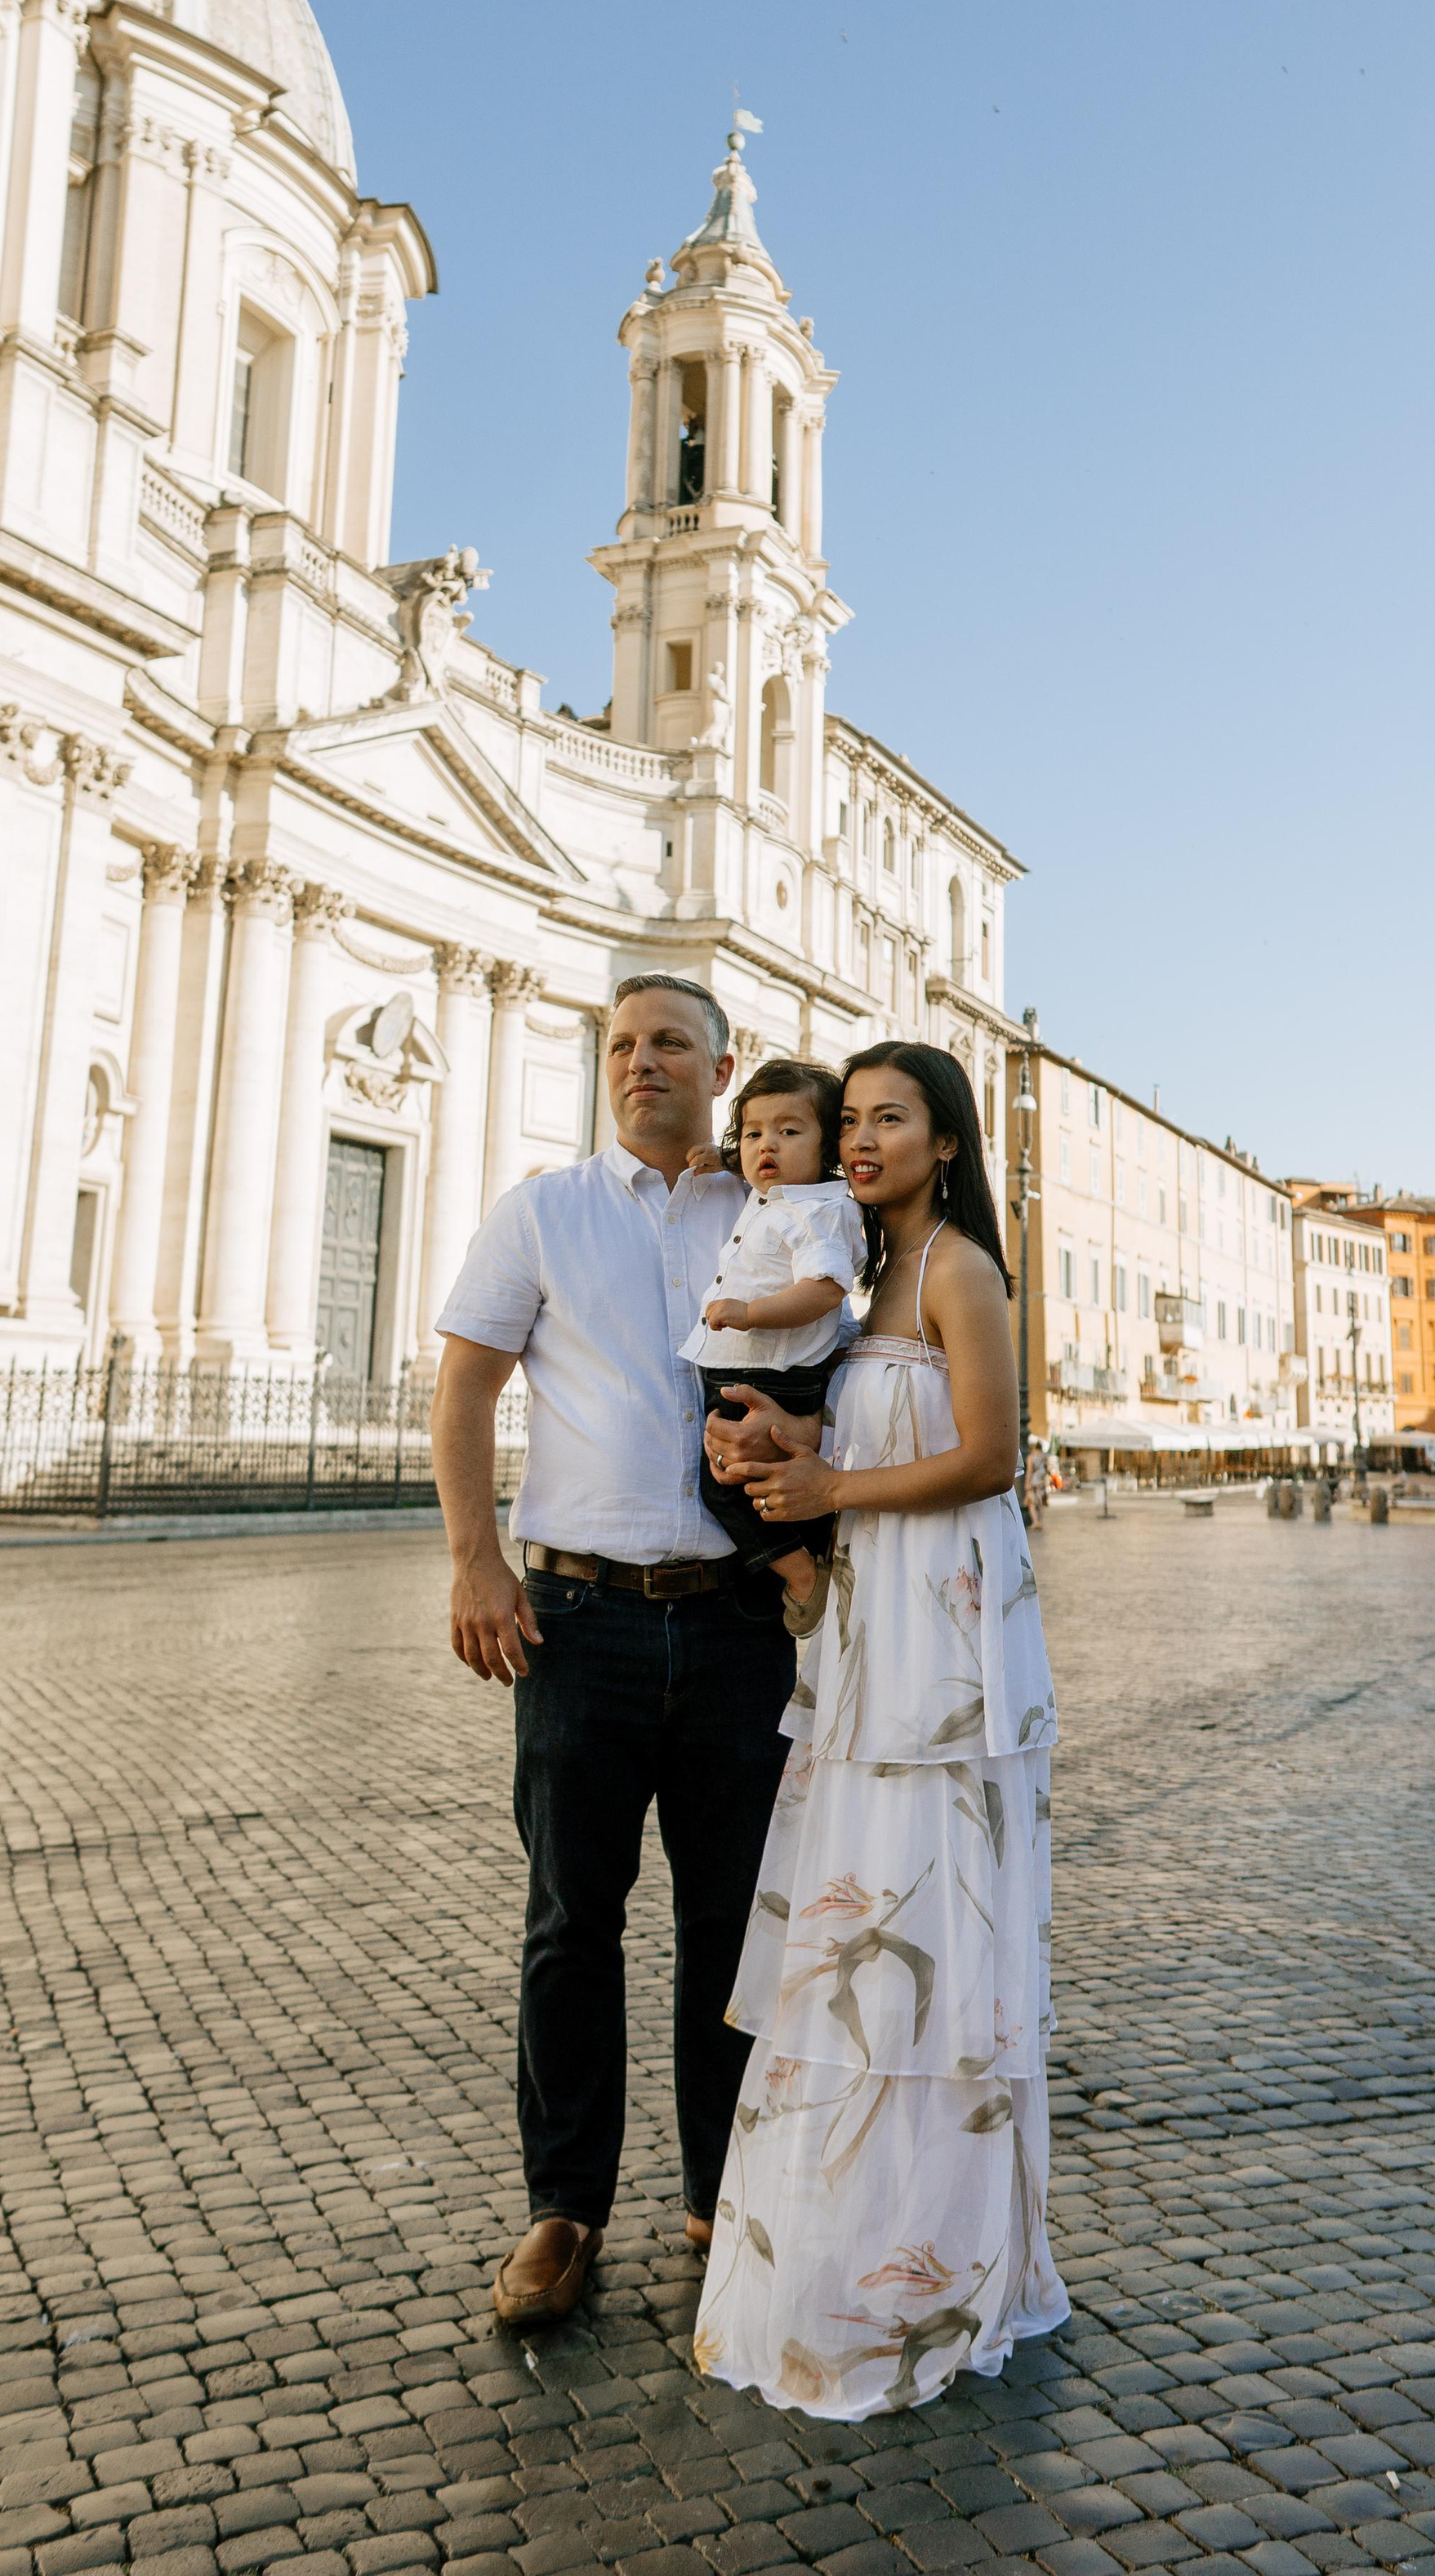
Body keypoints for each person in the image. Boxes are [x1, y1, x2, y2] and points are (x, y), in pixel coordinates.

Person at [430, 975, 817, 2331]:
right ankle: (563, 2208)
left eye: (669, 1044)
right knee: (567, 1927)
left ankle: (723, 2190)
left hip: (732, 1620)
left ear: (722, 1069)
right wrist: (477, 1559)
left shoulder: (772, 1206)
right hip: (575, 1617)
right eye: (620, 1044)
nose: (639, 1063)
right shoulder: (543, 1208)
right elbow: (466, 1385)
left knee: (733, 1931)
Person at [692, 1040, 1069, 2418]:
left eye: (887, 1118)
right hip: (867, 1627)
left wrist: (836, 1475)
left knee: (931, 1922)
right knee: (855, 1947)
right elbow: (848, 1460)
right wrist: (781, 1468)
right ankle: (845, 2239)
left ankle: (937, 2263)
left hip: (950, 1633)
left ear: (946, 1140)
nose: (858, 1138)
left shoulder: (962, 1269)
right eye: (847, 1119)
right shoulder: (851, 1288)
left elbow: (988, 1454)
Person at [680, 1059, 866, 1633]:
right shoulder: (779, 1197)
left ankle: (805, 1576)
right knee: (746, 1478)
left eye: (789, 1131)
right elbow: (761, 1170)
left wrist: (749, 1313)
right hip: (751, 1366)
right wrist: (727, 1160)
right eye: (755, 1132)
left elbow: (823, 1289)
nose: (768, 1146)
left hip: (773, 1372)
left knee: (729, 1487)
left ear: (828, 1144)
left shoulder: (820, 1212)